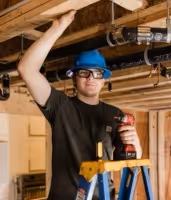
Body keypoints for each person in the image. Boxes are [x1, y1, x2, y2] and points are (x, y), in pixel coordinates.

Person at [17, 10, 142, 200]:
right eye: (84, 72)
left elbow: (130, 166)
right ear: (74, 77)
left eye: (97, 73)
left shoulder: (115, 114)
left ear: (103, 79)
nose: (91, 77)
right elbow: (26, 68)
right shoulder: (60, 106)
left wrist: (136, 146)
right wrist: (58, 27)